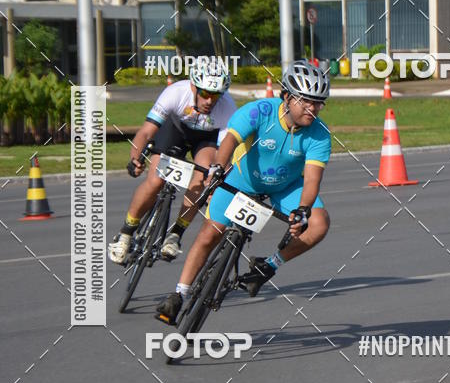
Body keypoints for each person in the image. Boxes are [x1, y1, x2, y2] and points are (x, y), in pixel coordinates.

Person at [155, 61, 331, 324]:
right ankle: (179, 294)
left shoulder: (320, 135)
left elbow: (312, 181)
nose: (313, 109)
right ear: (286, 97)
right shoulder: (260, 111)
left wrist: (303, 211)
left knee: (319, 223)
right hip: (243, 178)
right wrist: (216, 168)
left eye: (319, 103)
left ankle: (268, 266)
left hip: (285, 186)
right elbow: (230, 141)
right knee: (209, 233)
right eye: (306, 101)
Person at [108, 60, 236, 265]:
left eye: (216, 95)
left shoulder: (227, 107)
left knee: (202, 177)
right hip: (175, 129)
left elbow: (223, 152)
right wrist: (135, 158)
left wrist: (215, 174)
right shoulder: (176, 92)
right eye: (205, 93)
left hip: (206, 138)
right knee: (155, 181)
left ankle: (176, 233)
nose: (210, 101)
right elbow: (147, 131)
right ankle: (126, 232)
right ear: (193, 86)